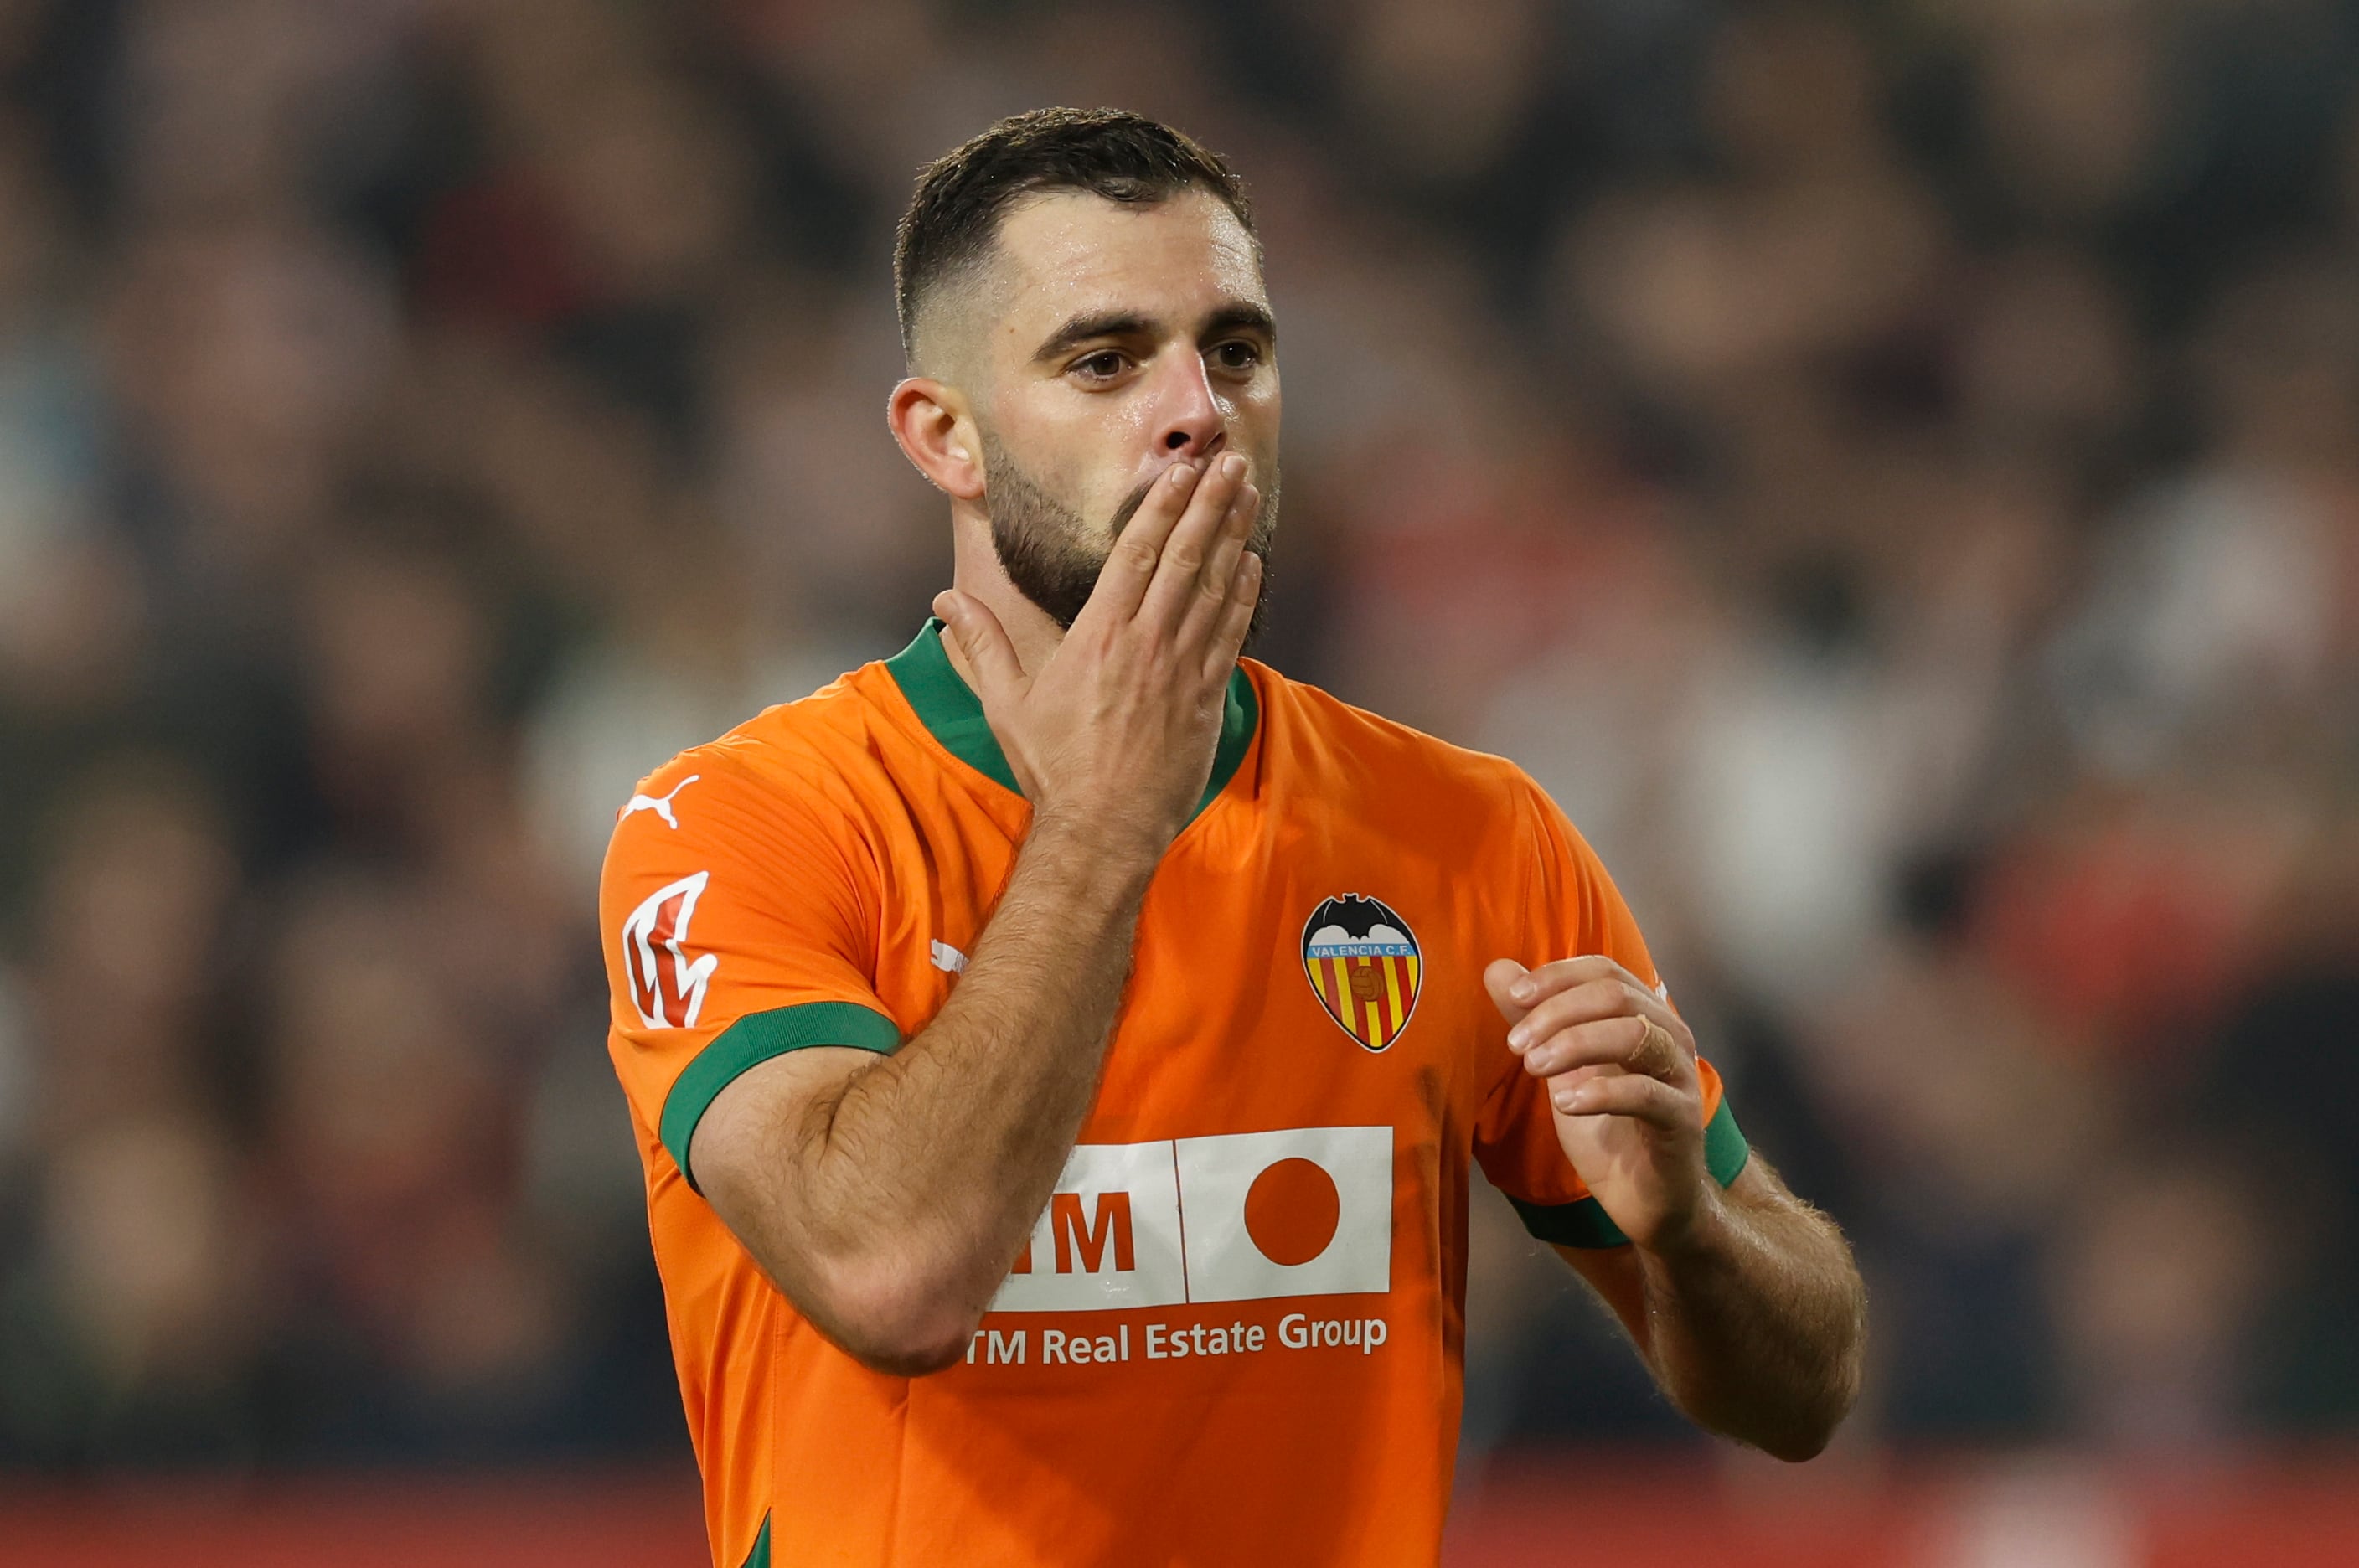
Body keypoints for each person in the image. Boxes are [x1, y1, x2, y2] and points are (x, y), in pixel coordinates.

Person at [600, 107, 1866, 1568]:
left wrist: (1690, 1242)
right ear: (942, 436)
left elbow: (1803, 1397)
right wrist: (1101, 831)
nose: (1195, 406)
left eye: (1238, 350)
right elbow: (892, 1276)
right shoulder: (747, 824)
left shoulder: (1463, 837)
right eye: (1104, 360)